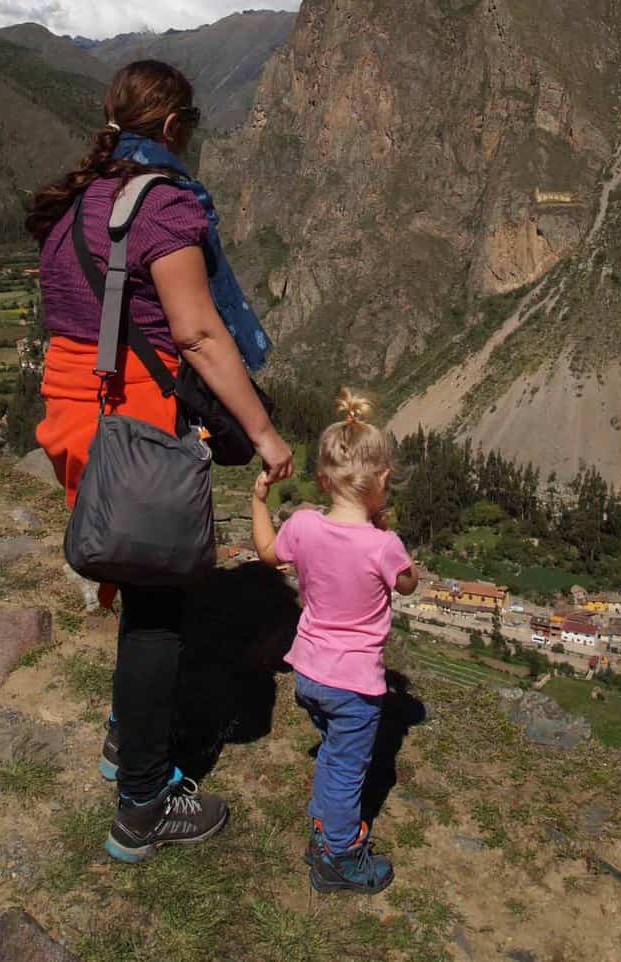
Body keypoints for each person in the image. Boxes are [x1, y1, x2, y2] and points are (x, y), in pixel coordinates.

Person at [27, 60, 293, 863]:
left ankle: (124, 738)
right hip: (138, 420)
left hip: (76, 415)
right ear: (175, 129)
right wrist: (266, 435)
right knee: (158, 614)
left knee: (134, 583)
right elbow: (200, 334)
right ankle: (143, 800)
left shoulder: (76, 201)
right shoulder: (160, 205)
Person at [250, 388, 418, 895]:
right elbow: (407, 584)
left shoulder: (301, 526)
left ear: (323, 480)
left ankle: (325, 827)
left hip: (308, 673)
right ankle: (339, 858)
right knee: (350, 767)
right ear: (382, 481)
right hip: (354, 685)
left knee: (332, 752)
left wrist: (258, 499)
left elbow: (266, 552)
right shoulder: (383, 545)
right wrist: (391, 540)